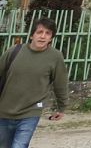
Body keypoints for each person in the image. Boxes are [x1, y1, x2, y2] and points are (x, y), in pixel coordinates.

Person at [0, 18, 68, 148]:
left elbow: (61, 83)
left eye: (48, 33)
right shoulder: (14, 51)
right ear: (32, 35)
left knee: (19, 145)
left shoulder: (55, 57)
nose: (43, 36)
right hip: (4, 110)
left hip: (31, 112)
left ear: (51, 38)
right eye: (39, 32)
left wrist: (62, 107)